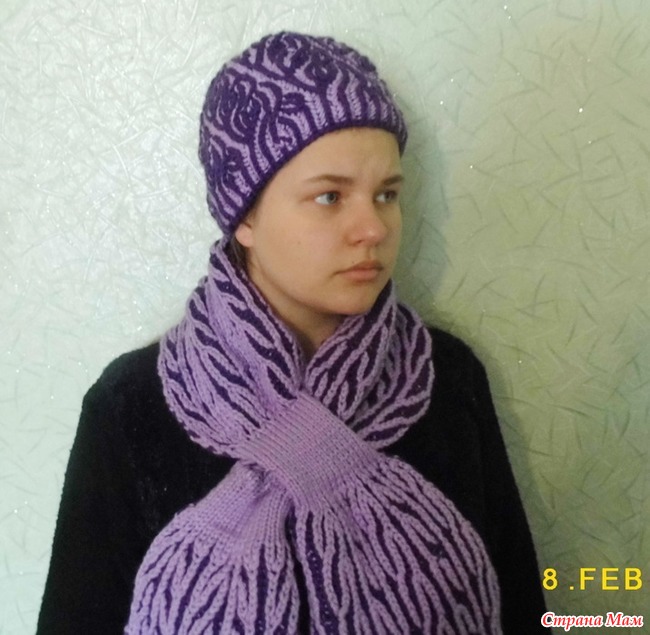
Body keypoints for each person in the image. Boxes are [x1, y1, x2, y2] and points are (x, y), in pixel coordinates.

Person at [38, 32, 546, 634]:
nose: (374, 229)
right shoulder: (131, 408)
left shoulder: (447, 378)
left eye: (387, 194)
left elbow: (522, 607)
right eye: (330, 196)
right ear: (245, 217)